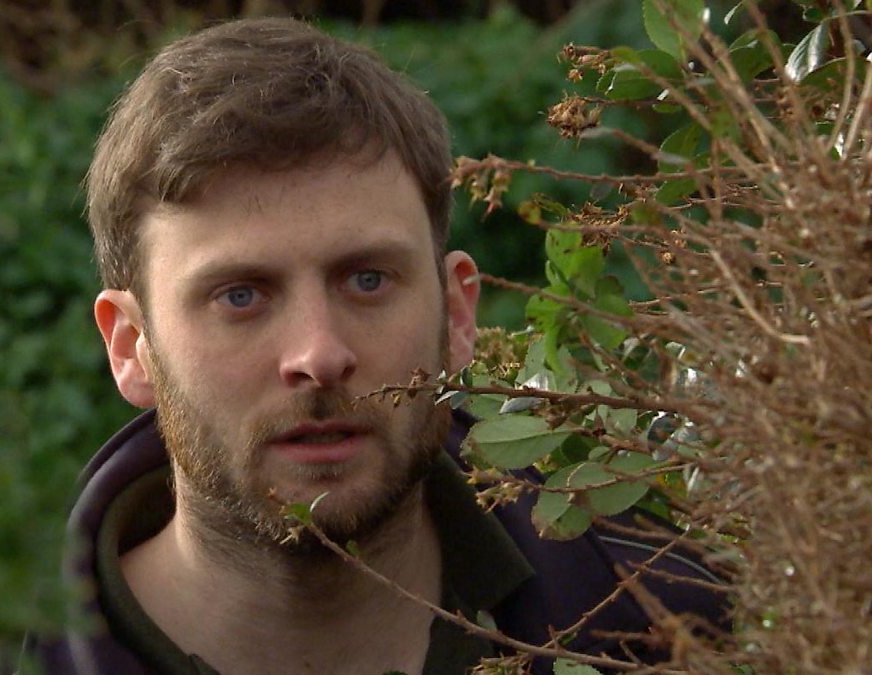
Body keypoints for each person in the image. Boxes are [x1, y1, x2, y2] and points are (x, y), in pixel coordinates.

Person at [38, 16, 726, 675]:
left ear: (456, 314)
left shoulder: (677, 634)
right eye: (240, 296)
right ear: (131, 346)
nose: (318, 355)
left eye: (367, 280)